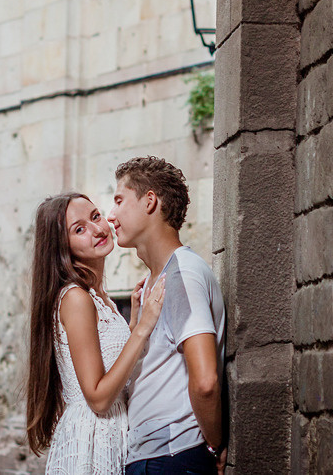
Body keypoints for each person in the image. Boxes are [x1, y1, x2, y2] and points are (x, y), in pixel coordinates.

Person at [26, 192, 166, 474]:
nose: (98, 229)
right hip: (93, 440)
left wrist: (132, 323)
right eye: (79, 229)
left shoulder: (98, 296)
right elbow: (99, 398)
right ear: (62, 246)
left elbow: (108, 362)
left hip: (112, 430)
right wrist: (142, 329)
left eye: (95, 216)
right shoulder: (76, 298)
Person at [107, 157, 226, 475]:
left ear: (149, 202)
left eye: (119, 201)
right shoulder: (151, 285)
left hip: (173, 458)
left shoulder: (182, 274)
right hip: (150, 458)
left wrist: (213, 446)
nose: (111, 216)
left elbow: (205, 382)